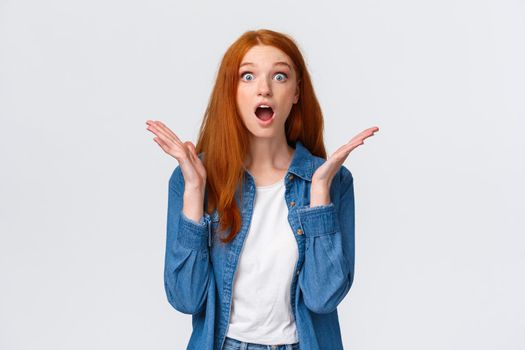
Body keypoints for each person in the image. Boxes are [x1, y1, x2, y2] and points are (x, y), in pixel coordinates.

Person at [146, 28, 378, 350]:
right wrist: (195, 190)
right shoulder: (193, 178)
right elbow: (185, 298)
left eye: (280, 76)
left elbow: (323, 297)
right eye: (248, 76)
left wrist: (320, 194)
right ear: (231, 91)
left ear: (297, 91)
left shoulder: (332, 181)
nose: (264, 90)